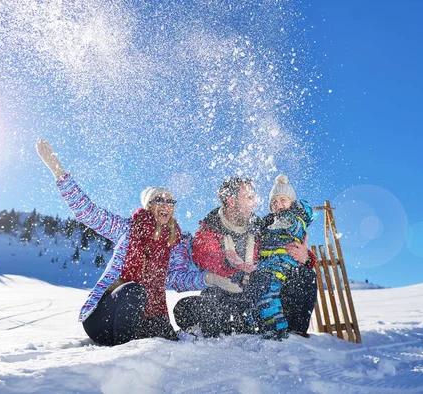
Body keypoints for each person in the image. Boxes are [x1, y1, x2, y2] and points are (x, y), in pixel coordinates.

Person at [36, 139, 239, 345]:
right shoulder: (127, 229)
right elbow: (87, 212)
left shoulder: (174, 244)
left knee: (170, 337)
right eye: (159, 199)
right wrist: (58, 171)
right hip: (105, 319)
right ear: (149, 205)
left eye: (170, 201)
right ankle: (124, 357)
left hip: (144, 319)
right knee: (134, 290)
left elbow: (177, 278)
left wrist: (209, 279)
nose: (166, 204)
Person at [173, 175, 317, 338]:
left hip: (261, 290)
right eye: (249, 197)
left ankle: (293, 333)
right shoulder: (210, 229)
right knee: (186, 307)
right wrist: (233, 265)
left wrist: (306, 257)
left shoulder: (260, 225)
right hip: (232, 295)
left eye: (254, 197)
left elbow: (280, 249)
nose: (255, 203)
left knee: (304, 275)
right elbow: (208, 261)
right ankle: (244, 324)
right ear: (231, 201)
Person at [244, 175, 315, 340]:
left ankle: (278, 329)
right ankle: (262, 324)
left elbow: (296, 228)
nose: (278, 205)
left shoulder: (296, 219)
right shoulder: (269, 224)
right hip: (266, 266)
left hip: (283, 265)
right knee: (258, 292)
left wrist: (284, 220)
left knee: (268, 291)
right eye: (274, 203)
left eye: (283, 200)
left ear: (292, 202)